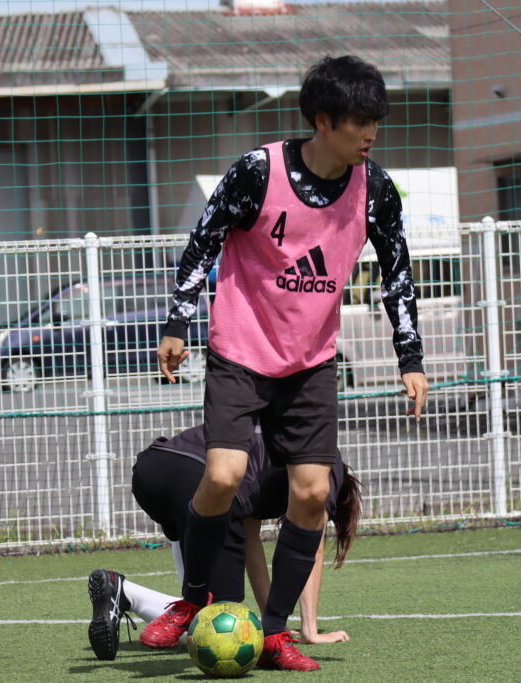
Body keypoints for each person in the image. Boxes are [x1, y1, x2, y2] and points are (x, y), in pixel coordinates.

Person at [151, 55, 429, 671]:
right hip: (241, 351)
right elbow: (203, 241)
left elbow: (398, 275)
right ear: (323, 121)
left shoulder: (375, 189)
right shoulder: (258, 172)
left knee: (311, 492)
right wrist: (177, 324)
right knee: (224, 475)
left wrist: (409, 356)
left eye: (376, 121)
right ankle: (192, 600)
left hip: (311, 363)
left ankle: (275, 632)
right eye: (360, 121)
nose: (371, 133)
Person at [88, 426, 361, 661]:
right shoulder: (326, 462)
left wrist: (273, 627)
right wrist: (310, 631)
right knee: (220, 627)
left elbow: (251, 546)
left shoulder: (269, 449)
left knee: (198, 607)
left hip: (153, 469)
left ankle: (129, 595)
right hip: (198, 479)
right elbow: (312, 545)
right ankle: (125, 592)